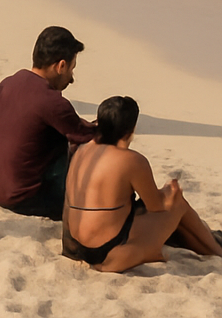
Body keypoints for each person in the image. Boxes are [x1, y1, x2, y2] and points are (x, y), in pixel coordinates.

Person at [63, 96, 222, 269]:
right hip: (110, 250)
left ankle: (210, 241)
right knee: (178, 203)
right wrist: (170, 193)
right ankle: (216, 249)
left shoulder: (82, 150)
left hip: (78, 245)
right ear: (130, 130)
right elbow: (156, 206)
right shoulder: (132, 160)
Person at [0, 26, 95, 218]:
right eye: (71, 69)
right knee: (88, 150)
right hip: (22, 198)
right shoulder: (52, 101)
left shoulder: (8, 83)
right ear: (61, 66)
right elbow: (87, 137)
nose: (71, 78)